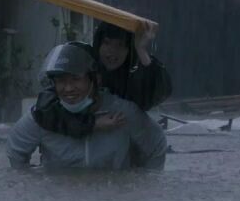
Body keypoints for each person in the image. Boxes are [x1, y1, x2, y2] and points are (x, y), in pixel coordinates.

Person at [7, 42, 167, 170]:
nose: (68, 88)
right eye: (61, 81)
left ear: (95, 79)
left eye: (75, 79)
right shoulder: (44, 114)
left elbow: (157, 146)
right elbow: (15, 151)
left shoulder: (122, 113)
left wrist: (140, 183)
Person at [32, 21, 172, 138]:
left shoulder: (132, 80)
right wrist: (93, 124)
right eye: (107, 43)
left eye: (120, 45)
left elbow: (157, 94)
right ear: (98, 44)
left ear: (129, 50)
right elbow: (45, 109)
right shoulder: (83, 70)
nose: (112, 51)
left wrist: (141, 49)